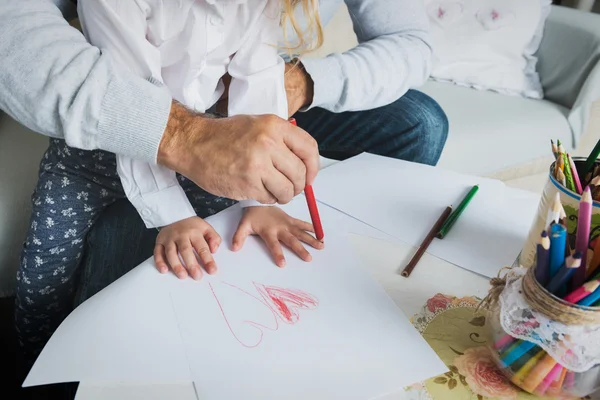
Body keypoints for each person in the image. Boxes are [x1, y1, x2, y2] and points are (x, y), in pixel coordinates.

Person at [76, 0, 449, 303]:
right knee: (51, 280)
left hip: (218, 110)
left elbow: (258, 86)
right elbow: (131, 106)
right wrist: (171, 215)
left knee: (422, 122)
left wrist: (261, 202)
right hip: (112, 132)